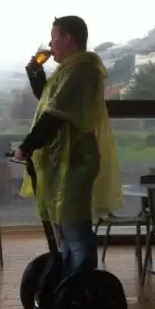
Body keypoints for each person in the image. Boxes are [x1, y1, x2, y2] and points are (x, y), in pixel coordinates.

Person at [14, 15, 122, 273]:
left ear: (67, 39)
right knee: (64, 227)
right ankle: (68, 282)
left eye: (54, 38)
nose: (50, 44)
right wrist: (36, 74)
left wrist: (27, 146)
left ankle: (83, 285)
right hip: (63, 160)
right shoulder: (69, 70)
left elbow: (56, 114)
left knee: (74, 225)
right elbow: (49, 100)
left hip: (75, 159)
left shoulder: (82, 69)